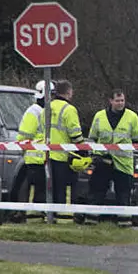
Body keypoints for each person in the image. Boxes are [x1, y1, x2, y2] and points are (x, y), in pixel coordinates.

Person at [88, 89, 138, 224]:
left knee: (124, 192)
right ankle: (92, 220)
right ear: (110, 101)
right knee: (97, 191)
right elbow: (92, 138)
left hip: (123, 162)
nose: (120, 103)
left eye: (122, 100)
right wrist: (94, 156)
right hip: (103, 160)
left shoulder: (132, 117)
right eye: (117, 100)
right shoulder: (99, 116)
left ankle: (124, 222)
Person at [48, 79, 86, 224]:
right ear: (69, 92)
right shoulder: (69, 109)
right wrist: (83, 150)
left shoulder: (48, 107)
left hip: (46, 154)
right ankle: (64, 218)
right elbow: (75, 134)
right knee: (66, 188)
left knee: (51, 188)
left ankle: (51, 216)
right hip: (63, 156)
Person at [15, 80, 53, 221]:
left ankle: (35, 214)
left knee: (40, 188)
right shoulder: (34, 111)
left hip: (43, 157)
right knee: (34, 187)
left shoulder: (44, 111)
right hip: (34, 157)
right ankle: (28, 214)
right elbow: (24, 136)